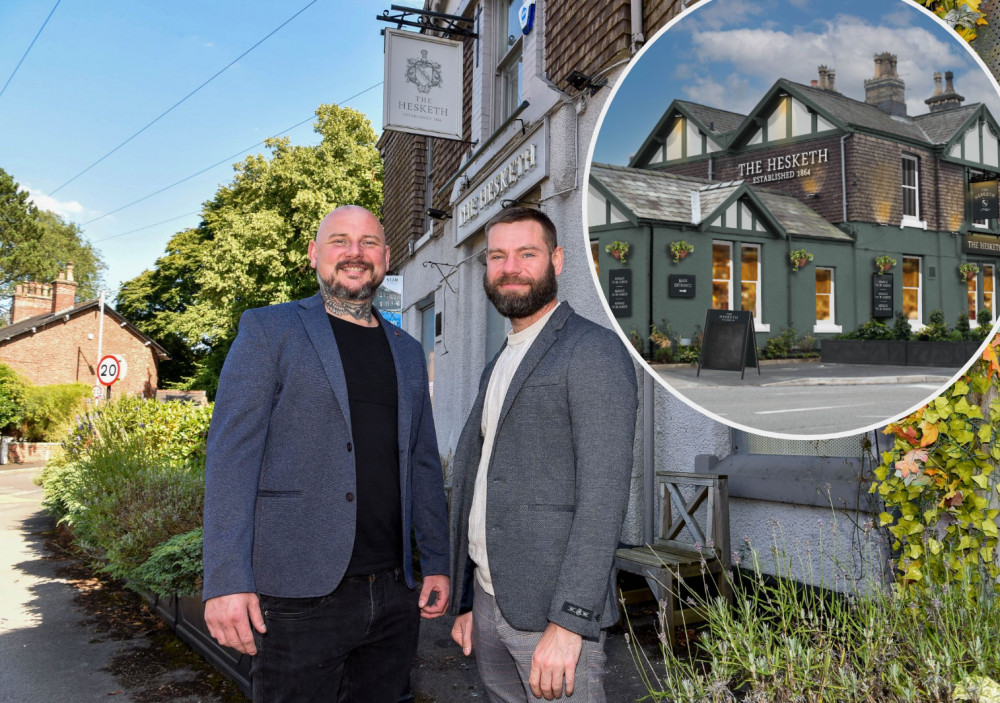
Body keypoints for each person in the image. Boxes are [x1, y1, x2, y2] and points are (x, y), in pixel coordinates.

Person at [202, 205, 450, 703]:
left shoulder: (405, 348)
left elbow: (421, 462)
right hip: (296, 596)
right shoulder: (269, 331)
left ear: (385, 257)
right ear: (315, 254)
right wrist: (226, 580)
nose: (355, 253)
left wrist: (438, 561)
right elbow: (231, 459)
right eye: (340, 241)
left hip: (394, 594)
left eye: (369, 243)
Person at [448, 207, 638, 702]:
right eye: (497, 256)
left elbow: (604, 496)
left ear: (557, 260)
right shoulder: (501, 361)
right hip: (490, 602)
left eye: (526, 253)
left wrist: (569, 623)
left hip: (551, 616)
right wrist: (469, 600)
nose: (510, 267)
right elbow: (483, 482)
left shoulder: (592, 351)